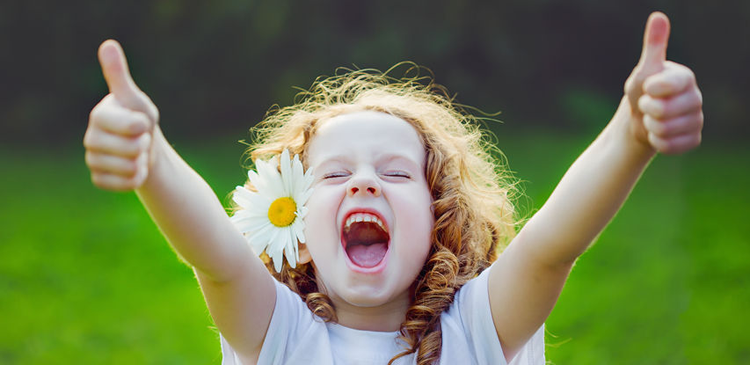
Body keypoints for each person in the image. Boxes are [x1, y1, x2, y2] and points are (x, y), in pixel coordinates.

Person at [83, 12, 703, 365]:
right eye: (333, 173)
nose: (364, 184)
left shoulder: (477, 331)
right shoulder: (284, 339)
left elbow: (551, 245)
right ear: (295, 221)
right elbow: (215, 258)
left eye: (397, 173)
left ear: (440, 216)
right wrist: (152, 158)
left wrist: (631, 133)